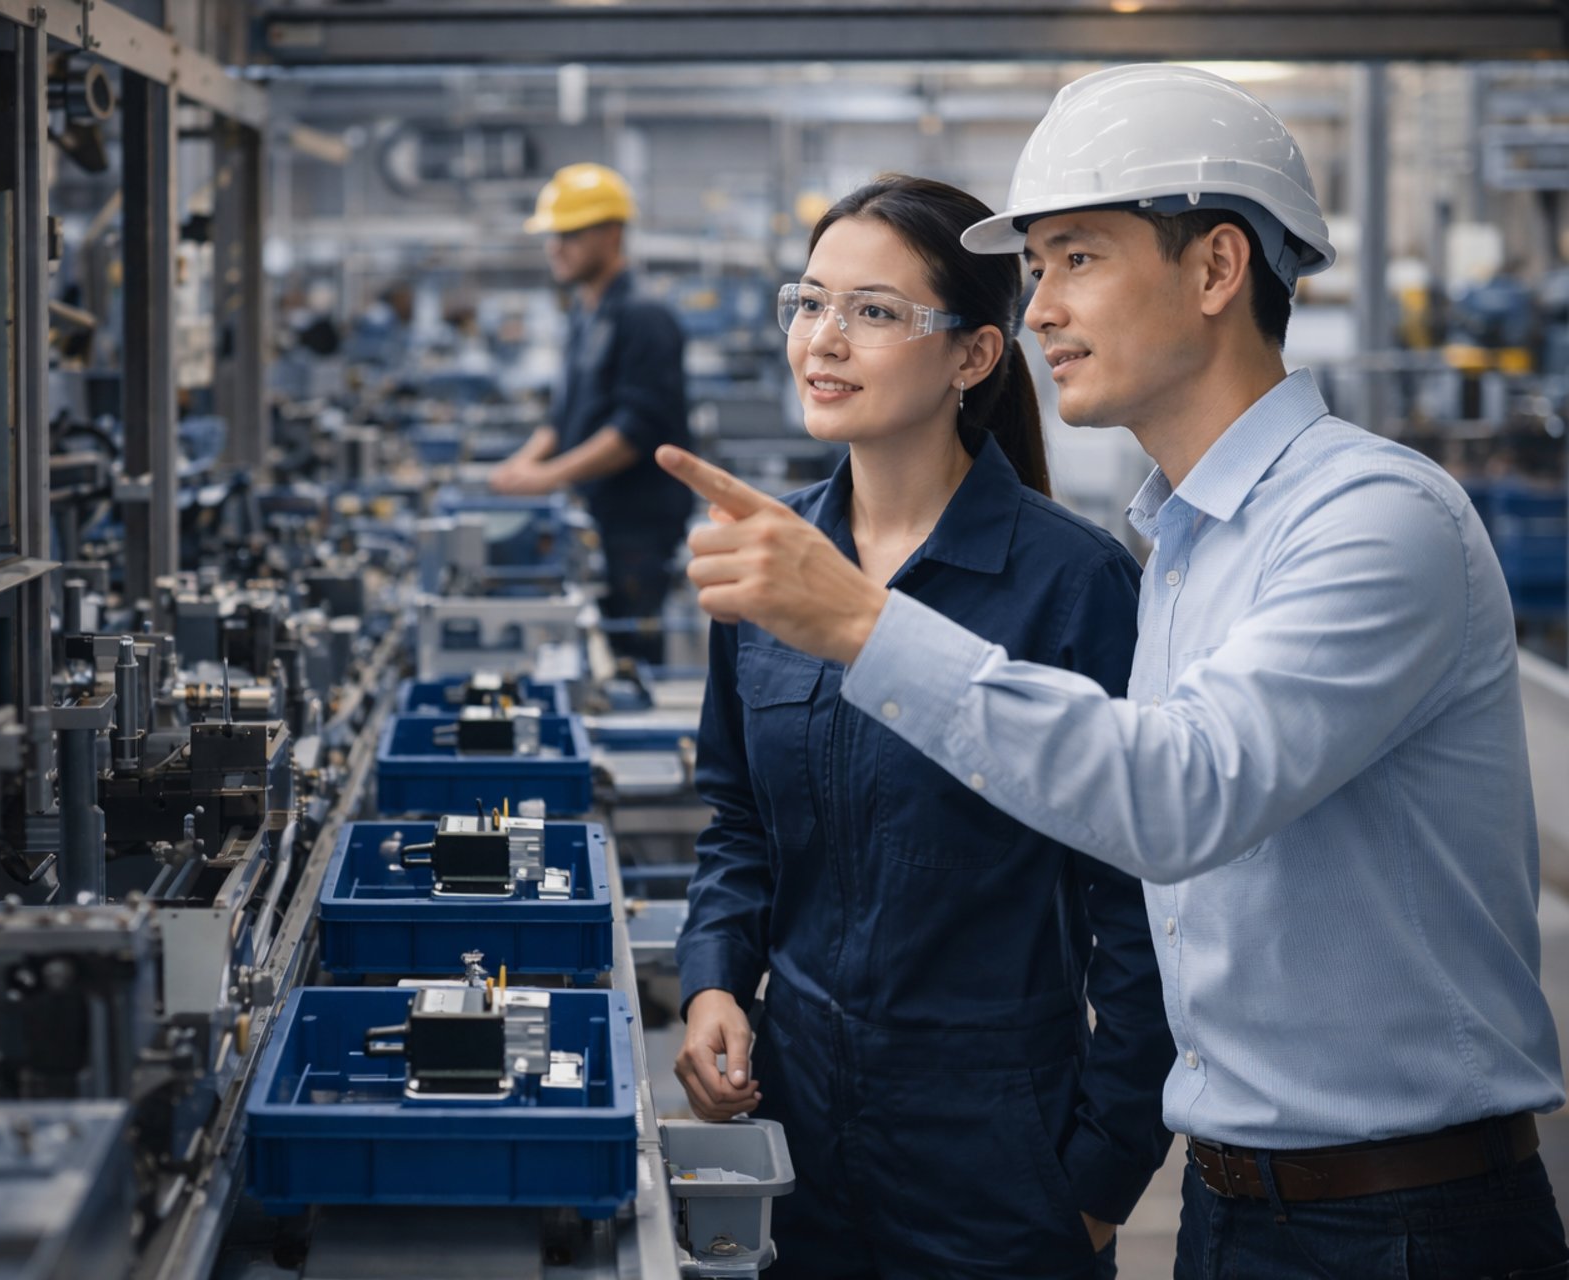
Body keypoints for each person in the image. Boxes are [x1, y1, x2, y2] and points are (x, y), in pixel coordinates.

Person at [658, 65, 1568, 1280]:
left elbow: (1176, 802)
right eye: (1035, 268)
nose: (1040, 308)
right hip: (1228, 1197)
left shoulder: (1372, 519)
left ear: (1214, 269)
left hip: (1398, 1219)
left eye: (1076, 257)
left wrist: (862, 626)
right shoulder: (1187, 545)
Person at [673, 175, 1176, 1279]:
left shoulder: (1071, 583)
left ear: (974, 356)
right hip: (800, 1136)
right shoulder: (769, 561)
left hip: (996, 1151)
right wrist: (714, 976)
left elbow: (1146, 904)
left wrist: (1098, 1176)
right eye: (809, 302)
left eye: (875, 310)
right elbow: (738, 824)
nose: (825, 339)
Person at [492, 162, 693, 664]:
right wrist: (521, 469)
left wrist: (548, 478)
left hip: (637, 522)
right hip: (597, 510)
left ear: (612, 235)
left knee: (630, 650)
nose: (555, 247)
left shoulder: (644, 316)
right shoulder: (587, 310)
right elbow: (563, 416)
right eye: (553, 235)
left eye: (570, 234)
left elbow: (635, 430)